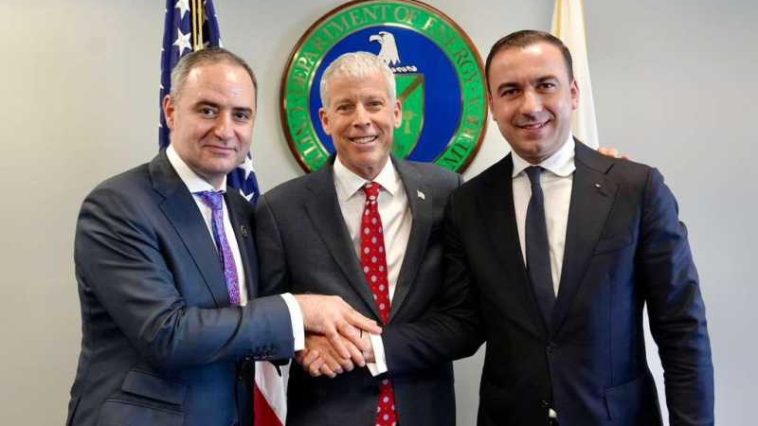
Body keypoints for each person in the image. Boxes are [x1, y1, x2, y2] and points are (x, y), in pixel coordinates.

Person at [66, 48, 379, 426]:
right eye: (208, 110)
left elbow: (247, 322)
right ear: (170, 111)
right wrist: (299, 311)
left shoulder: (241, 211)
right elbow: (168, 335)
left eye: (241, 115)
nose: (225, 130)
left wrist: (306, 339)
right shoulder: (118, 206)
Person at [443, 30, 714, 425]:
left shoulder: (635, 189)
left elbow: (681, 328)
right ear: (493, 105)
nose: (530, 106)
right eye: (511, 91)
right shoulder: (467, 204)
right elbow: (462, 325)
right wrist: (374, 345)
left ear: (572, 93)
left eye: (545, 85)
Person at [255, 52, 478, 426]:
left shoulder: (446, 192)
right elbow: (265, 320)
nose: (362, 119)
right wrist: (303, 341)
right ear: (325, 120)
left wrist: (373, 347)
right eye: (345, 107)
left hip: (424, 413)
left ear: (397, 111)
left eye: (374, 104)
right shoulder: (280, 209)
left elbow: (464, 321)